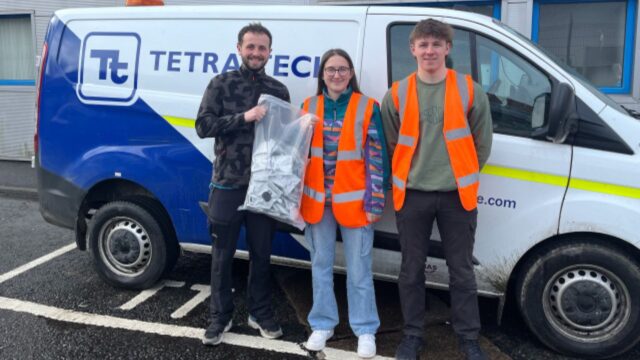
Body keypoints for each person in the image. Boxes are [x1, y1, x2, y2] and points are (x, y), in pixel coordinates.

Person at [380, 19, 493, 360]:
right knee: (411, 270)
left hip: (456, 195)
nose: (429, 50)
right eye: (423, 44)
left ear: (447, 48)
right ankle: (412, 335)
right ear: (412, 50)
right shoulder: (397, 92)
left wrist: (462, 176)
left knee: (461, 271)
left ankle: (468, 339)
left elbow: (482, 144)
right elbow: (389, 145)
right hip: (412, 195)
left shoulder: (470, 89)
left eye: (436, 44)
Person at [196, 22, 290, 346]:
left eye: (262, 48)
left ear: (269, 52)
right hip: (228, 184)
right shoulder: (220, 84)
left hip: (264, 187)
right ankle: (219, 318)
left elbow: (285, 138)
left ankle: (259, 312)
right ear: (239, 48)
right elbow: (203, 125)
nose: (256, 53)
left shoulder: (278, 91)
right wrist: (244, 117)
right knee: (222, 256)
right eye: (250, 47)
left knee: (262, 254)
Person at [300, 48, 389, 359]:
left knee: (360, 270)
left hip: (357, 205)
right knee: (320, 266)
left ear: (351, 73)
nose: (336, 74)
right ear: (322, 74)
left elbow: (377, 157)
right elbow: (299, 157)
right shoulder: (309, 107)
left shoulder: (367, 107)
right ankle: (322, 324)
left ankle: (365, 329)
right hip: (317, 204)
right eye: (330, 69)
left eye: (342, 69)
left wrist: (376, 200)